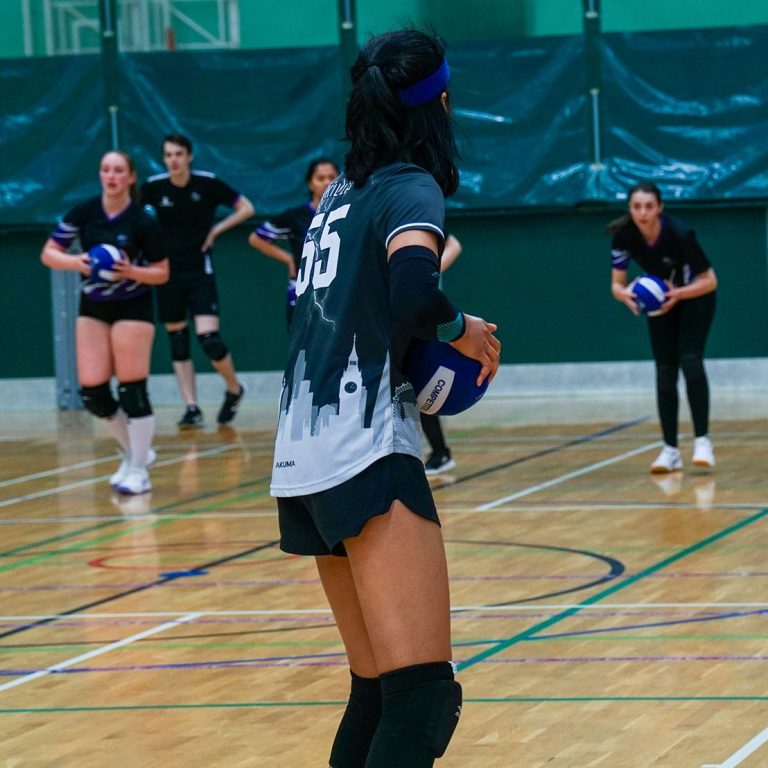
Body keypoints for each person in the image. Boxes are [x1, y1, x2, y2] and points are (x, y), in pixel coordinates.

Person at [270, 30, 500, 768]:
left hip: (302, 452)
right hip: (364, 449)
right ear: (440, 101)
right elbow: (413, 295)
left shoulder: (335, 195)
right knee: (423, 699)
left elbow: (304, 314)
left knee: (375, 692)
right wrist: (462, 333)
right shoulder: (409, 187)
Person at [40, 150, 169, 494]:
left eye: (118, 171)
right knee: (94, 393)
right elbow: (48, 253)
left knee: (131, 389)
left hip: (133, 306)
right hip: (93, 306)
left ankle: (139, 470)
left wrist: (131, 272)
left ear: (130, 177)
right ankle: (135, 452)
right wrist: (77, 261)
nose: (111, 176)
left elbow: (162, 272)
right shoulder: (85, 213)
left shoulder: (143, 220)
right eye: (105, 170)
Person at [140, 133, 255, 429]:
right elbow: (134, 219)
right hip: (167, 273)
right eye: (168, 155)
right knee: (178, 341)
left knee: (209, 341)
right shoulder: (153, 187)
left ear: (189, 156)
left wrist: (216, 231)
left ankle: (234, 389)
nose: (173, 160)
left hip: (199, 271)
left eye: (178, 154)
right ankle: (191, 407)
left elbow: (246, 208)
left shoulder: (207, 183)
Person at [608, 180, 718, 473]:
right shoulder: (624, 235)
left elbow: (710, 280)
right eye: (636, 206)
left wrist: (677, 294)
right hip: (660, 303)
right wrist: (627, 295)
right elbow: (616, 287)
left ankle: (703, 442)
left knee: (690, 360)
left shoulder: (680, 234)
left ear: (660, 208)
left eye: (648, 206)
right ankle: (670, 450)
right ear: (630, 209)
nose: (642, 212)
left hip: (695, 298)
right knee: (665, 371)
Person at [247, 158, 340, 330]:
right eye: (320, 178)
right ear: (310, 183)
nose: (327, 182)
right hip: (303, 291)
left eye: (332, 177)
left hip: (336, 291)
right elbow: (256, 238)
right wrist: (289, 258)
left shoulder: (347, 214)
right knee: (303, 347)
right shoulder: (296, 216)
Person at [422, 232, 462, 475]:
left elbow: (454, 245)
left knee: (416, 383)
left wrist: (429, 274)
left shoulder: (416, 208)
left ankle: (440, 451)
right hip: (386, 311)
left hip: (418, 312)